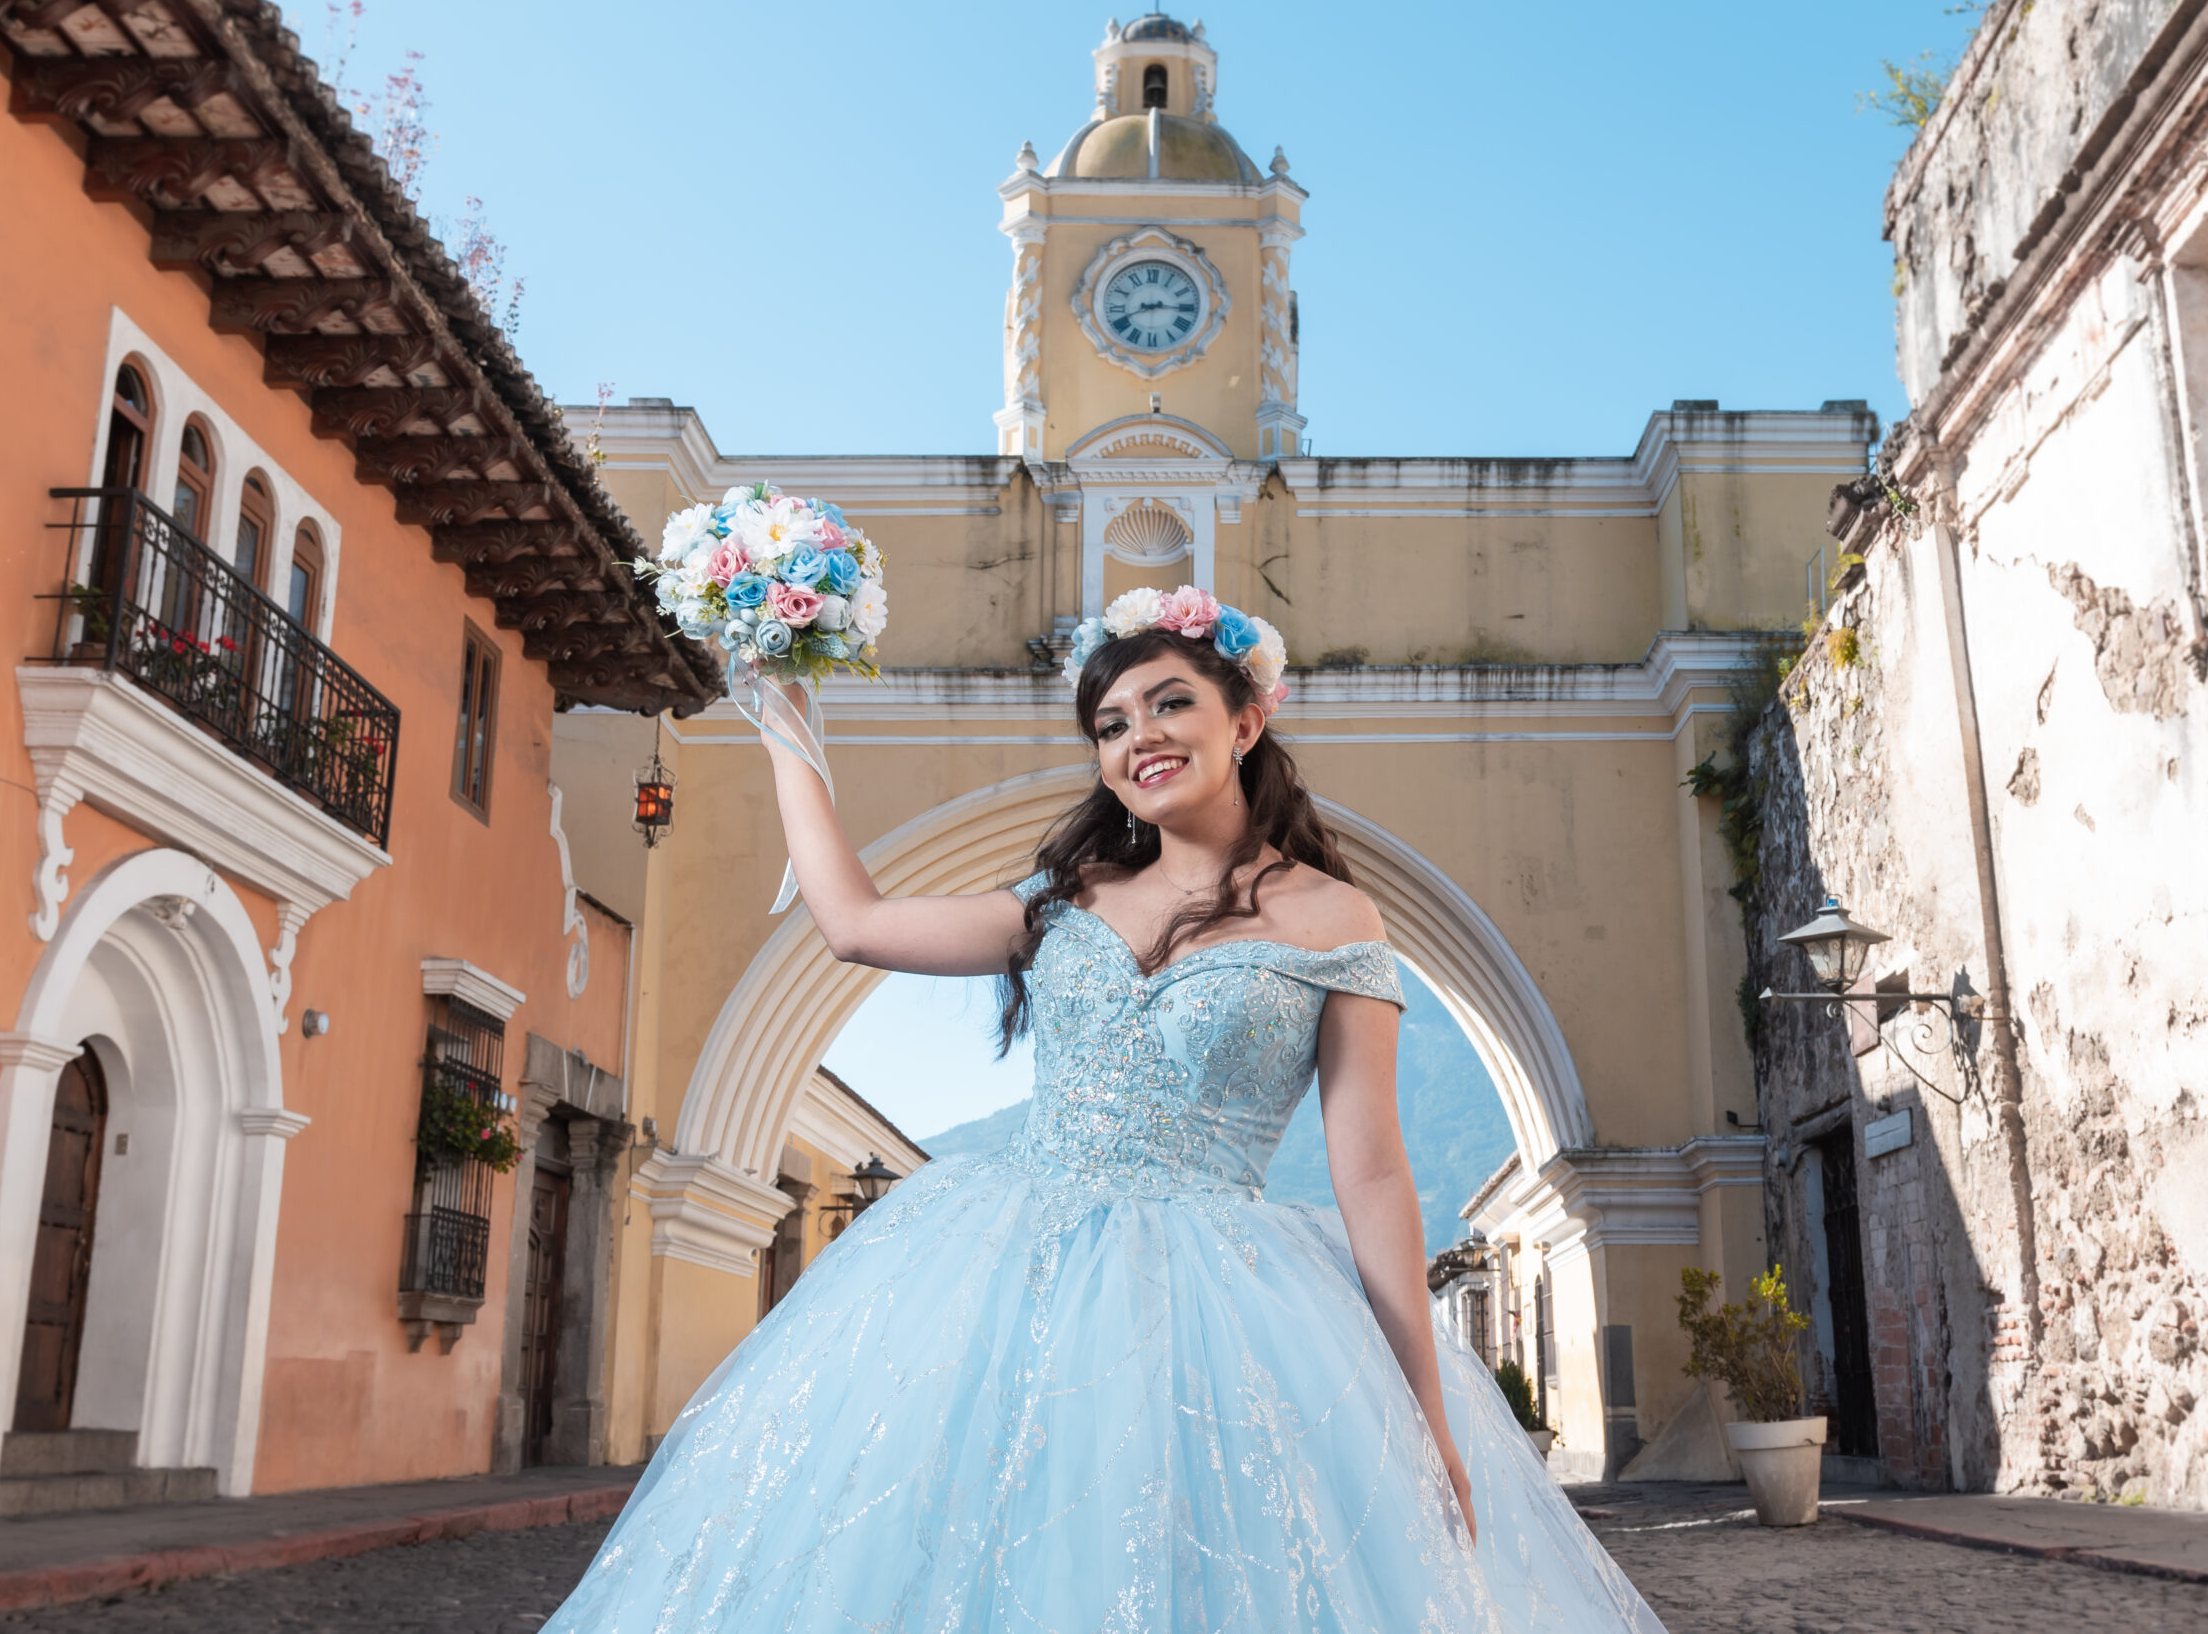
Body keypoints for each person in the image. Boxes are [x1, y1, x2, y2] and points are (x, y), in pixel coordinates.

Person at [542, 589, 1666, 1632]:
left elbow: (1370, 1172)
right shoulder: (1062, 901)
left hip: (1222, 1300)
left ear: (1248, 719)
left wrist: (1425, 1415)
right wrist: (785, 717)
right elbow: (853, 925)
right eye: (1112, 723)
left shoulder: (1336, 920)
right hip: (1006, 1274)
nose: (1140, 736)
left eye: (1171, 703)